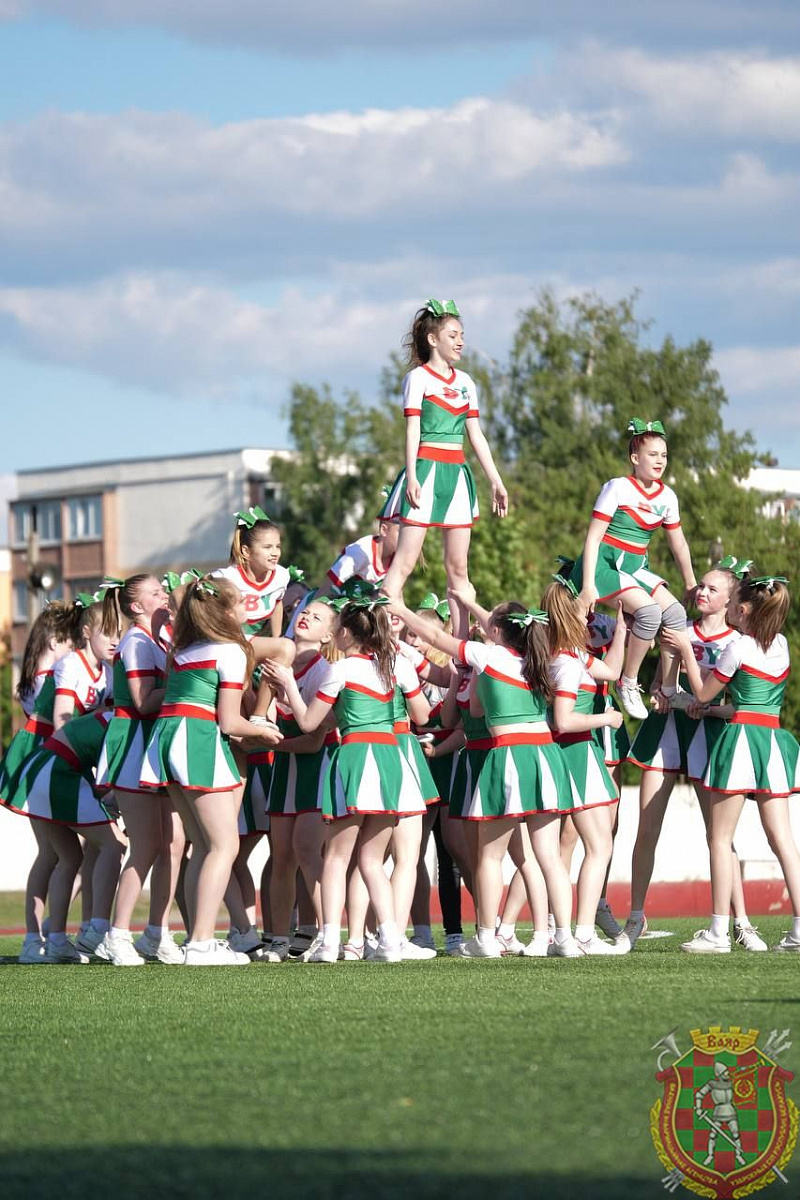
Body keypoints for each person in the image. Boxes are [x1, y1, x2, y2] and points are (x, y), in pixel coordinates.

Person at [393, 587, 583, 959]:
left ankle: (485, 938)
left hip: (509, 754)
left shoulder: (491, 656)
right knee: (549, 856)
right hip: (545, 754)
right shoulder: (536, 656)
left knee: (489, 856)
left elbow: (435, 638)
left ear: (496, 630)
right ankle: (564, 937)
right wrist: (468, 603)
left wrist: (401, 608)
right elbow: (477, 708)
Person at [263, 585, 426, 964]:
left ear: (347, 634)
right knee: (372, 860)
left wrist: (288, 686)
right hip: (391, 760)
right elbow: (421, 715)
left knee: (337, 857)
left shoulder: (340, 669)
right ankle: (390, 941)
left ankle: (330, 943)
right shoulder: (392, 666)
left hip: (354, 757)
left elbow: (309, 724)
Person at [619, 565, 765, 952]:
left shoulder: (737, 641)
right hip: (667, 729)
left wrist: (708, 707)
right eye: (701, 585)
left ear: (730, 600)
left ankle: (741, 922)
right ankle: (634, 919)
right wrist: (658, 693)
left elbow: (739, 703)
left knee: (719, 836)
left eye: (712, 589)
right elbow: (659, 684)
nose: (702, 592)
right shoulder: (677, 626)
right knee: (646, 829)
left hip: (708, 733)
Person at [140, 576, 282, 965]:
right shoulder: (231, 652)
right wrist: (264, 731)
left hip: (169, 737)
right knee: (223, 846)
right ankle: (202, 943)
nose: (247, 608)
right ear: (225, 612)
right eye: (240, 603)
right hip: (196, 738)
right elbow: (231, 722)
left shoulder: (184, 649)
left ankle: (198, 939)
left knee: (204, 846)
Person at [662, 574, 800, 953]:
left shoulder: (738, 647)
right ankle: (799, 930)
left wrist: (686, 652)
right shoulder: (782, 645)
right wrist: (708, 707)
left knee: (720, 839)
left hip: (740, 742)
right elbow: (748, 702)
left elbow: (702, 693)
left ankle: (718, 932)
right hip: (772, 740)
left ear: (741, 610)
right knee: (783, 840)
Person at [379, 300, 508, 638]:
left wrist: (496, 480)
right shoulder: (417, 378)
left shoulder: (466, 382)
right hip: (425, 471)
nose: (460, 341)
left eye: (462, 335)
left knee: (459, 569)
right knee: (404, 564)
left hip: (457, 475)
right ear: (433, 339)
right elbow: (412, 430)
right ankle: (382, 642)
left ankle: (461, 653)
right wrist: (412, 475)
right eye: (453, 335)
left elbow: (475, 435)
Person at [3, 590, 116, 962]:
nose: (115, 640)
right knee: (55, 854)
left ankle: (55, 935)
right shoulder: (65, 667)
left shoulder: (103, 670)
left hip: (65, 760)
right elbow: (62, 722)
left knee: (69, 854)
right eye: (107, 632)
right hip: (45, 757)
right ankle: (38, 938)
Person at [571, 418, 696, 720]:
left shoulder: (668, 497)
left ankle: (669, 689)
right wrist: (588, 586)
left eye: (664, 455)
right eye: (653, 455)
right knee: (650, 613)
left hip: (635, 565)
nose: (660, 461)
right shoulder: (617, 487)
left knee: (676, 614)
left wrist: (690, 582)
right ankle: (628, 681)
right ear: (635, 458)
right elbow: (593, 538)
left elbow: (679, 544)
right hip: (604, 565)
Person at [95, 575, 187, 966]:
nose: (164, 596)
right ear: (135, 607)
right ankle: (116, 935)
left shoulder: (159, 640)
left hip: (156, 746)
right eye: (155, 593)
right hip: (135, 745)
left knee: (174, 844)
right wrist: (189, 685)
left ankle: (156, 933)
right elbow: (142, 701)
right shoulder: (135, 641)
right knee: (147, 845)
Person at [542, 577, 629, 954]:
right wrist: (605, 719)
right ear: (570, 614)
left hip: (573, 753)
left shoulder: (569, 655)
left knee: (577, 846)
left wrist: (622, 630)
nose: (590, 616)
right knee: (598, 845)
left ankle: (561, 932)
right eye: (584, 611)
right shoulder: (565, 662)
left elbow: (611, 672)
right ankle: (582, 934)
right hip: (575, 753)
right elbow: (563, 720)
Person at [12, 710, 127, 964]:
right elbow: (108, 784)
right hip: (57, 772)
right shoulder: (122, 724)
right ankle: (97, 930)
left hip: (42, 768)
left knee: (68, 857)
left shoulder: (110, 719)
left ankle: (50, 941)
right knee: (114, 844)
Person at [263, 598, 340, 961]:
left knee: (308, 851)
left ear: (328, 635)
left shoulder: (325, 672)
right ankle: (278, 939)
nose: (306, 617)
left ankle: (327, 936)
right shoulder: (276, 663)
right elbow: (260, 716)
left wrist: (273, 742)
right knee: (280, 857)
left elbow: (314, 740)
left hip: (315, 767)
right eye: (305, 612)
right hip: (285, 769)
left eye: (318, 617)